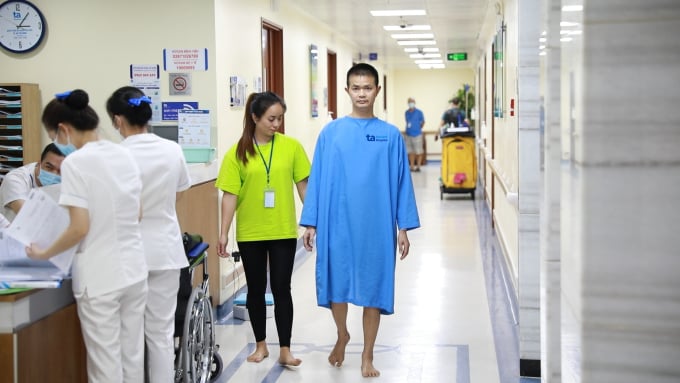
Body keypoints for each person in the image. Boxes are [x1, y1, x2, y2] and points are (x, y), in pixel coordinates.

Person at [300, 63, 420, 378]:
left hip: (377, 227)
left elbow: (401, 182)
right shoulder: (331, 134)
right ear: (347, 91)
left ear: (377, 90)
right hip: (336, 223)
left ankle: (367, 355)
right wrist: (311, 222)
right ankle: (342, 333)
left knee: (373, 290)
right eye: (356, 87)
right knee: (337, 288)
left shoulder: (390, 135)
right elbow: (317, 180)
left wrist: (403, 227)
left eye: (368, 88)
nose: (362, 93)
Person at [26, 89, 148, 383]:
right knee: (131, 358)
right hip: (134, 270)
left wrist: (44, 252)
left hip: (100, 278)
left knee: (104, 365)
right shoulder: (125, 153)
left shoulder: (77, 164)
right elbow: (138, 212)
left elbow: (79, 227)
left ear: (63, 130)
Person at [215, 91, 310, 367]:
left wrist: (311, 222)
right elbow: (230, 195)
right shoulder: (238, 152)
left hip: (282, 229)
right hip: (251, 231)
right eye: (271, 118)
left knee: (282, 288)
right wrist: (223, 231)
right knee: (256, 289)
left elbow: (303, 186)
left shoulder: (291, 147)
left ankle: (285, 348)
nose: (276, 124)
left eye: (280, 118)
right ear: (254, 117)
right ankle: (260, 345)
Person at [106, 86, 191, 382]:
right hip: (165, 252)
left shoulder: (114, 154)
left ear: (118, 120)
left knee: (128, 337)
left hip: (127, 254)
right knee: (161, 335)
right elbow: (179, 194)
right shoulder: (172, 149)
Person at [0, 143, 64, 221]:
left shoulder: (68, 179)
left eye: (60, 170)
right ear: (39, 163)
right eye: (49, 167)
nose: (54, 174)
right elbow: (28, 217)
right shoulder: (15, 179)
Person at [404, 97, 425, 172]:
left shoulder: (419, 112)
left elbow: (423, 122)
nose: (411, 103)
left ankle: (418, 166)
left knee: (419, 151)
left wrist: (417, 128)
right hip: (408, 134)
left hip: (417, 134)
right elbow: (407, 122)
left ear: (414, 103)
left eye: (412, 102)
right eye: (409, 102)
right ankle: (412, 166)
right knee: (410, 152)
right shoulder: (406, 112)